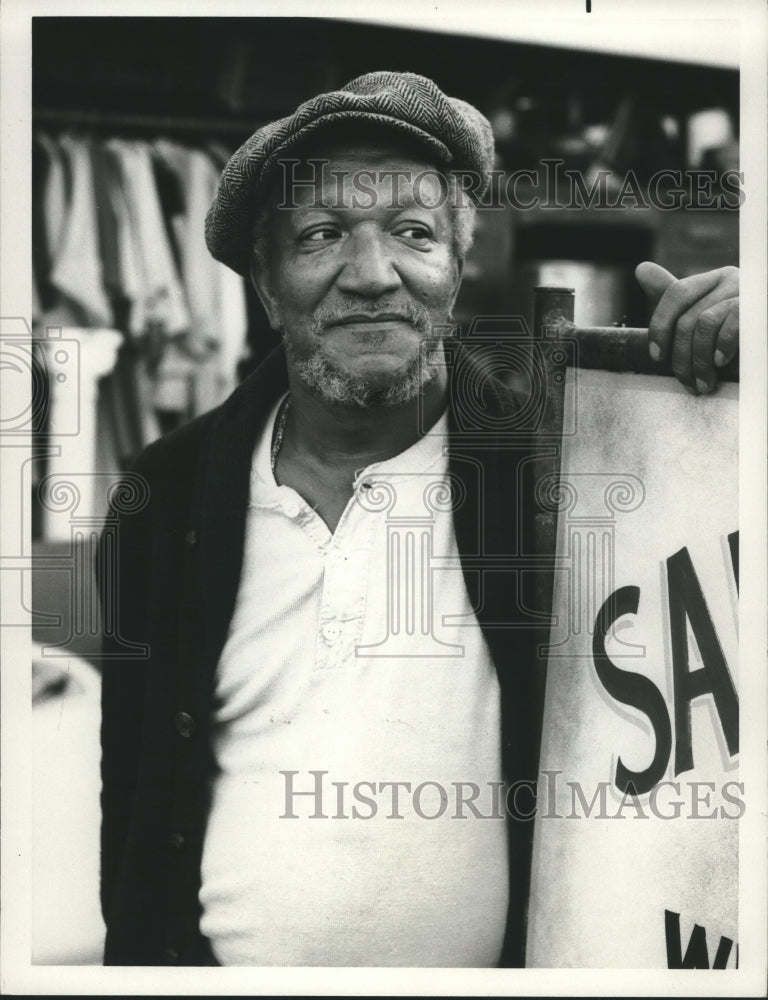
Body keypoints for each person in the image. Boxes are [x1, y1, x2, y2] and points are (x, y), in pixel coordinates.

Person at [97, 71, 739, 967]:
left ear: (454, 267)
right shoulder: (163, 499)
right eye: (321, 236)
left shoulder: (561, 471)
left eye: (412, 233)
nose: (371, 275)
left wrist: (739, 388)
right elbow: (131, 805)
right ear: (268, 284)